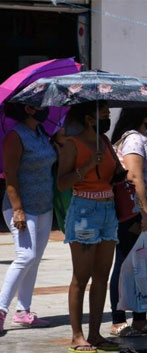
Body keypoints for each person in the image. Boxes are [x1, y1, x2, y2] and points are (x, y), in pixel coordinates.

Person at [57, 101, 120, 352]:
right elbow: (62, 183)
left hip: (108, 210)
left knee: (102, 277)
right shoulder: (72, 145)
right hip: (83, 211)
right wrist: (86, 167)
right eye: (104, 114)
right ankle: (77, 335)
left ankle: (95, 334)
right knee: (81, 277)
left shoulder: (104, 142)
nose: (107, 118)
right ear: (88, 119)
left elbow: (112, 175)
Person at [109, 107, 147, 336]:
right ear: (140, 113)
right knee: (125, 262)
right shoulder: (133, 139)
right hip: (136, 207)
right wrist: (143, 213)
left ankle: (140, 319)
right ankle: (118, 320)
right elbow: (134, 177)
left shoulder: (143, 136)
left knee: (144, 263)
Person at [0, 103, 56, 333]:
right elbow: (10, 176)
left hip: (44, 206)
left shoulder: (42, 133)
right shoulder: (15, 136)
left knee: (34, 259)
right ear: (28, 109)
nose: (45, 108)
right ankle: (1, 309)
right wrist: (18, 209)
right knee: (26, 255)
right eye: (39, 104)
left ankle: (23, 311)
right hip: (21, 207)